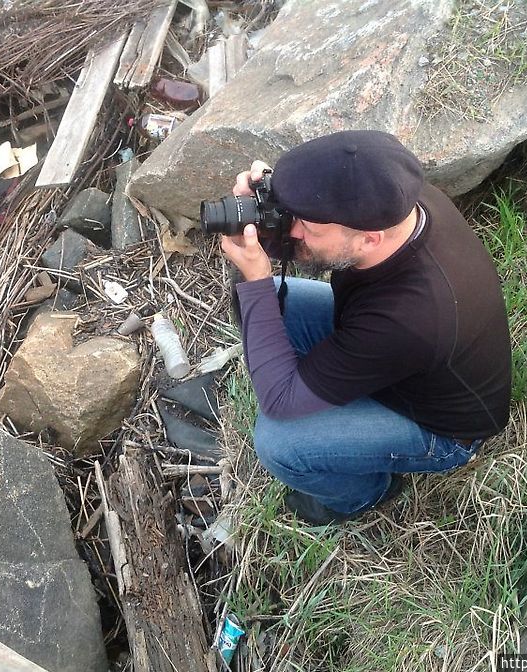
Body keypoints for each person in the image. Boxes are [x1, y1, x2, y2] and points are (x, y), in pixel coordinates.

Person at [219, 130, 511, 525]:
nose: (295, 231)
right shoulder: (396, 202)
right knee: (266, 299)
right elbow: (327, 242)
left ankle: (364, 495)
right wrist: (275, 205)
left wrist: (254, 278)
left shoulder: (411, 318)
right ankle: (336, 398)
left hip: (440, 430)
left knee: (279, 442)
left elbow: (279, 401)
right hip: (391, 354)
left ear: (369, 241)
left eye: (308, 226)